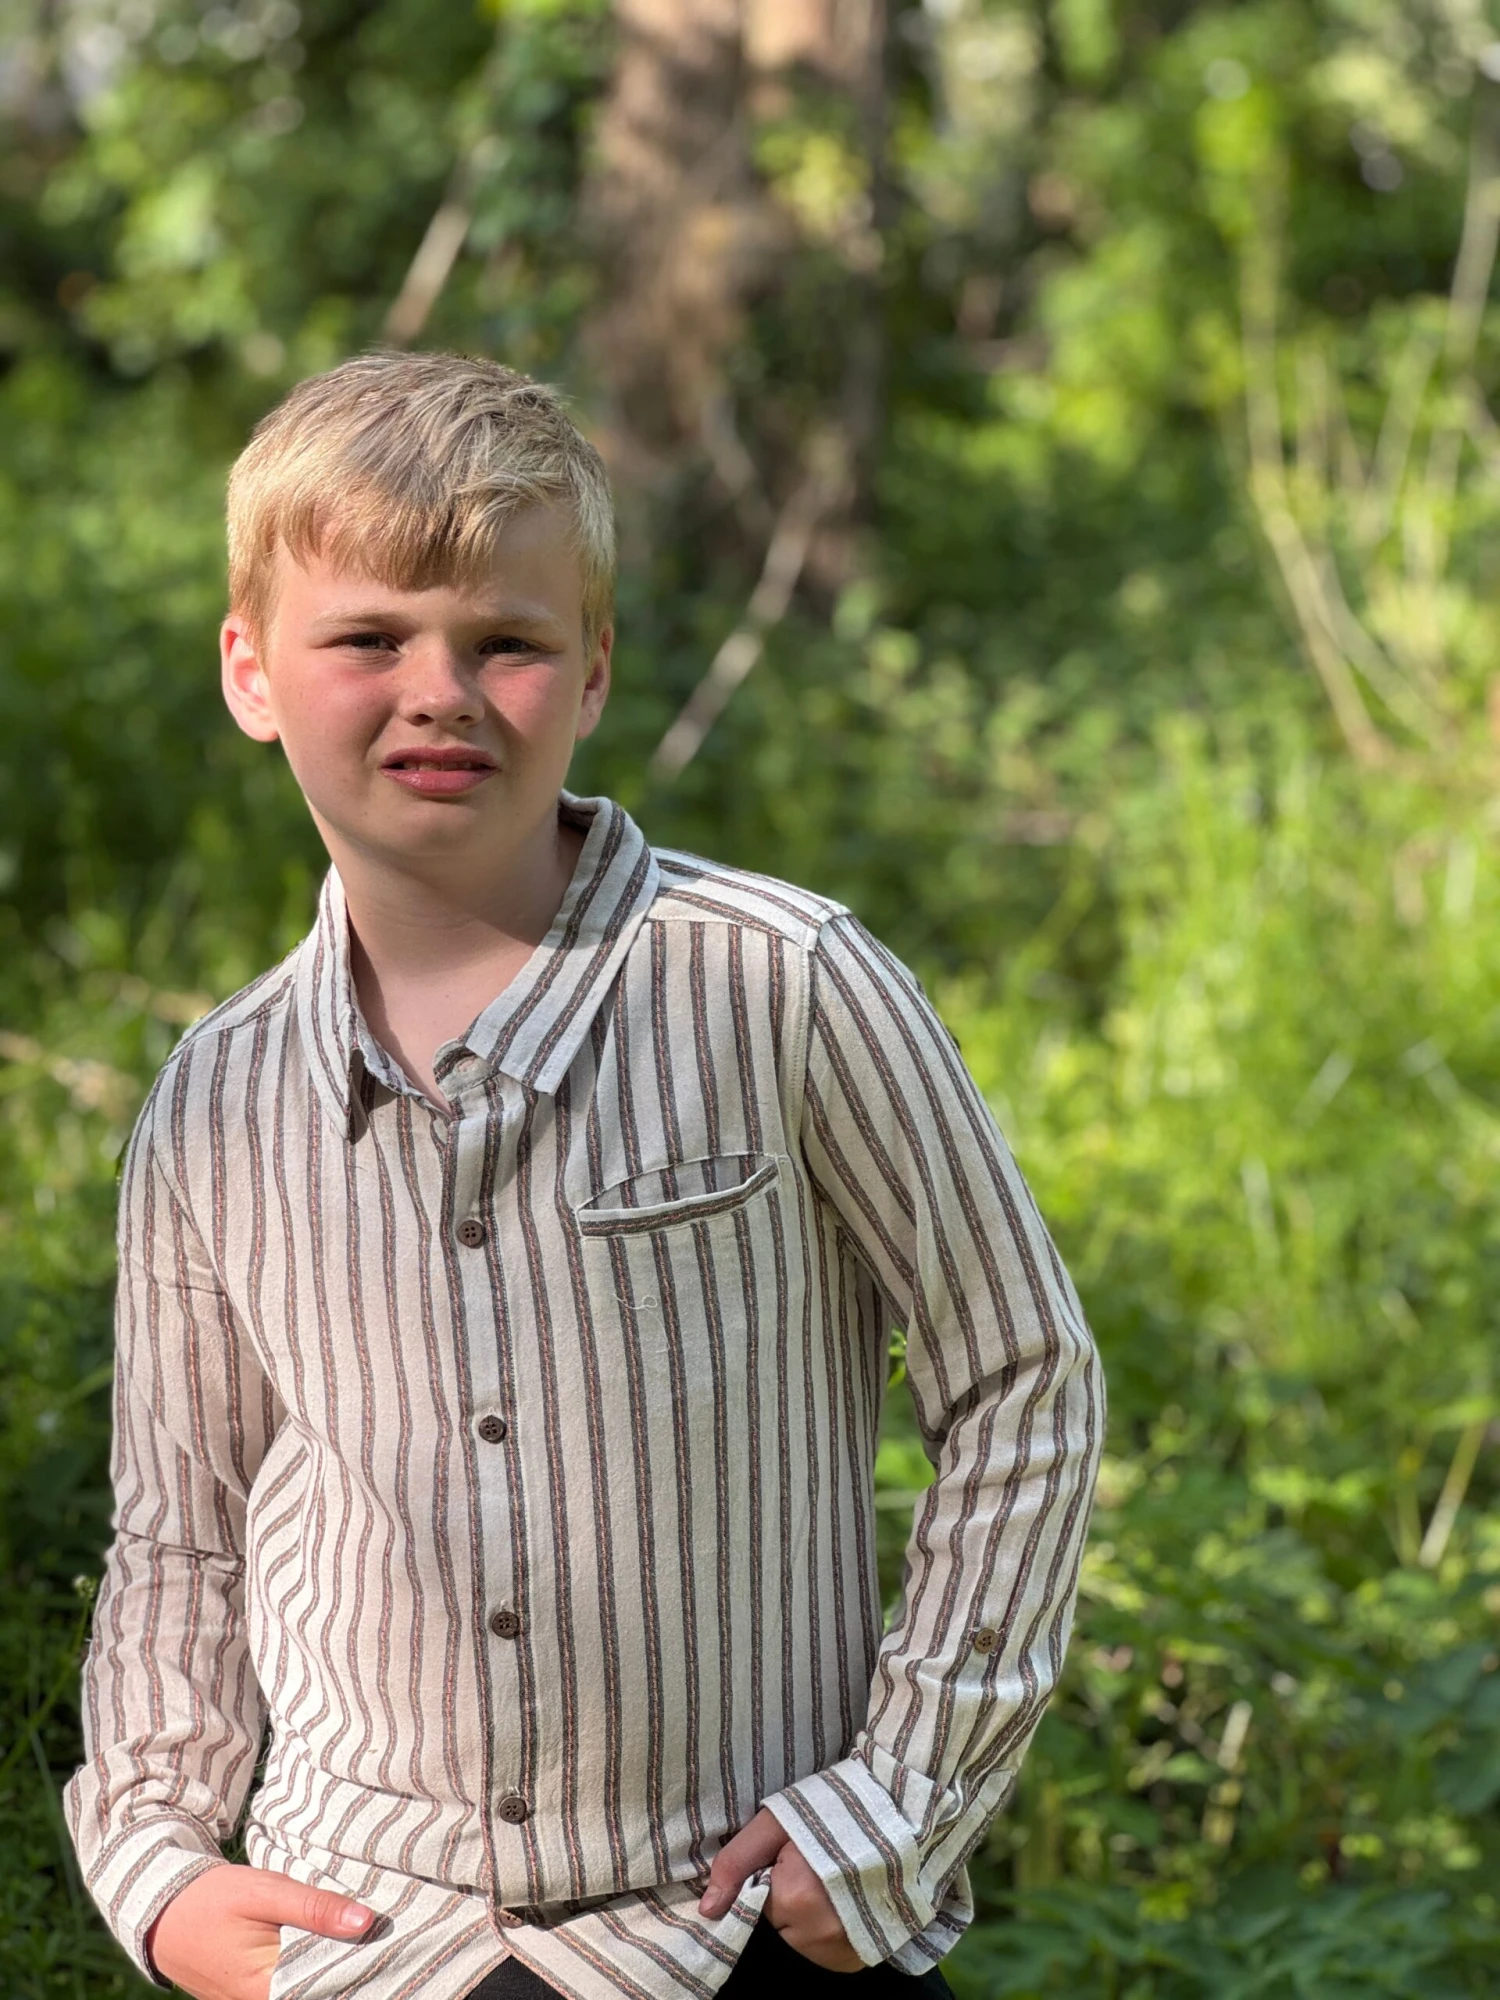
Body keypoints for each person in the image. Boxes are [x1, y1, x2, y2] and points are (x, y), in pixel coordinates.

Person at [64, 351, 1104, 2000]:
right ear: (252, 672)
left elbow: (1024, 1382)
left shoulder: (782, 986)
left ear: (596, 668)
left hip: (725, 1920)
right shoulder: (214, 1106)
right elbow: (181, 1535)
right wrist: (158, 1862)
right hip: (364, 1944)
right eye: (368, 639)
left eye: (507, 643)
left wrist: (902, 1803)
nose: (440, 691)